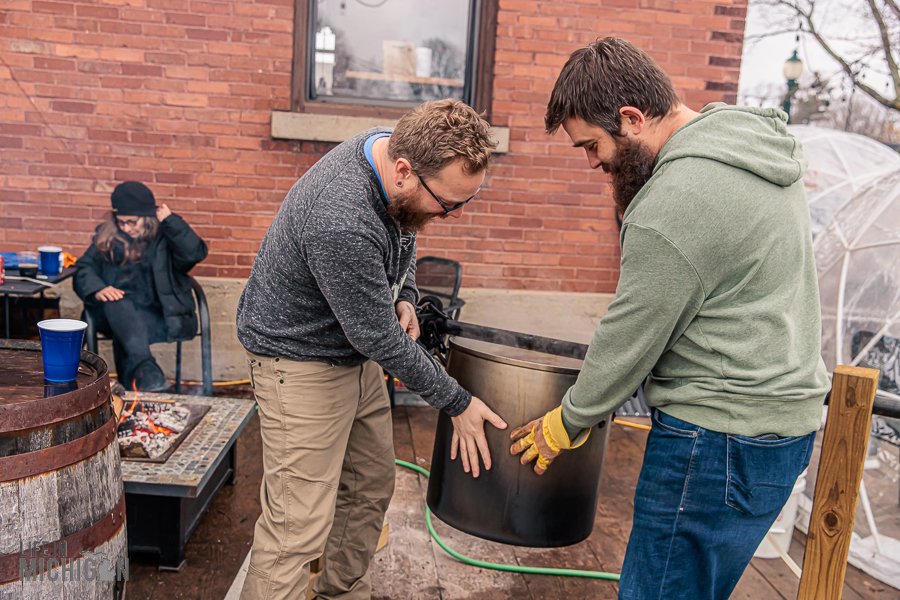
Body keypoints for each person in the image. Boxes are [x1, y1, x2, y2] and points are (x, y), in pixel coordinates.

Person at [509, 38, 831, 600]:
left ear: (632, 118)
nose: (591, 164)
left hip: (715, 440)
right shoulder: (749, 147)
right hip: (782, 433)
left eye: (593, 145)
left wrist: (568, 423)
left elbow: (631, 335)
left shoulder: (675, 201)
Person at [236, 99, 507, 600]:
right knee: (298, 527)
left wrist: (403, 296)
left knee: (369, 487)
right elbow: (377, 338)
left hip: (352, 354)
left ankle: (337, 592)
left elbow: (405, 236)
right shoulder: (341, 218)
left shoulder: (394, 150)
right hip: (299, 362)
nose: (451, 214)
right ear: (404, 171)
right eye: (448, 204)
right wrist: (459, 402)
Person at [74, 181, 208, 392]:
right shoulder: (109, 237)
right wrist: (97, 288)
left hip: (159, 317)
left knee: (127, 331)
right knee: (118, 306)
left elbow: (195, 254)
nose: (126, 228)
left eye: (131, 222)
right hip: (113, 314)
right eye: (121, 222)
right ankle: (147, 373)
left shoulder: (165, 236)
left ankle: (133, 395)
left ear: (147, 217)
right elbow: (83, 268)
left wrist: (171, 221)